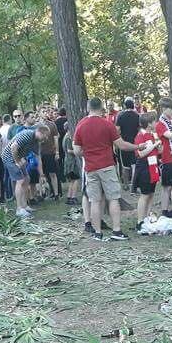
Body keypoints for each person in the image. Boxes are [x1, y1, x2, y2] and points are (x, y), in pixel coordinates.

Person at [73, 97, 140, 242]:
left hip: (90, 168)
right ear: (101, 108)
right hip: (107, 166)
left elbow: (77, 150)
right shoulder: (107, 124)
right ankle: (116, 230)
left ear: (88, 107)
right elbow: (121, 145)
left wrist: (88, 153)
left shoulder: (81, 125)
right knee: (113, 198)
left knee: (94, 200)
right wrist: (138, 147)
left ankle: (97, 232)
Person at [1, 123, 50, 218]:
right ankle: (19, 209)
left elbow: (38, 158)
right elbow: (13, 147)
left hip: (19, 158)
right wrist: (17, 161)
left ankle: (24, 206)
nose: (46, 138)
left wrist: (41, 174)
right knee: (20, 180)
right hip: (9, 158)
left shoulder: (36, 142)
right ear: (40, 132)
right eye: (45, 136)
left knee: (27, 179)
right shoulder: (27, 134)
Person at [132, 112, 160, 230]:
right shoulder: (140, 136)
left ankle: (147, 217)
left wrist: (158, 146)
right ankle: (140, 221)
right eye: (154, 121)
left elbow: (159, 151)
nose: (156, 123)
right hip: (144, 167)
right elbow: (141, 153)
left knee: (151, 193)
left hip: (153, 166)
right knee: (144, 194)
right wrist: (153, 146)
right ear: (149, 124)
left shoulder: (152, 135)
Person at [115, 97, 141, 189]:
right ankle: (134, 186)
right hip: (135, 144)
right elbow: (139, 129)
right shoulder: (137, 116)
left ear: (125, 106)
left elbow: (117, 130)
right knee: (134, 165)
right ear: (133, 105)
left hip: (124, 144)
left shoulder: (120, 116)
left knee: (125, 166)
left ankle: (125, 185)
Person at [38, 108, 61, 200]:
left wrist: (57, 152)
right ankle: (42, 193)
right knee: (41, 174)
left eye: (46, 111)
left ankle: (56, 194)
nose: (45, 113)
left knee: (52, 173)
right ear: (39, 113)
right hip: (39, 153)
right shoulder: (36, 125)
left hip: (50, 152)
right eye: (43, 112)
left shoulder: (52, 124)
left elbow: (56, 138)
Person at [61, 122, 80, 206]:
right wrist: (77, 151)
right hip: (71, 161)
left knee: (71, 181)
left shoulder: (65, 137)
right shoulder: (68, 138)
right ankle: (73, 197)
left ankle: (69, 197)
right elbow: (69, 150)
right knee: (75, 179)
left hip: (68, 161)